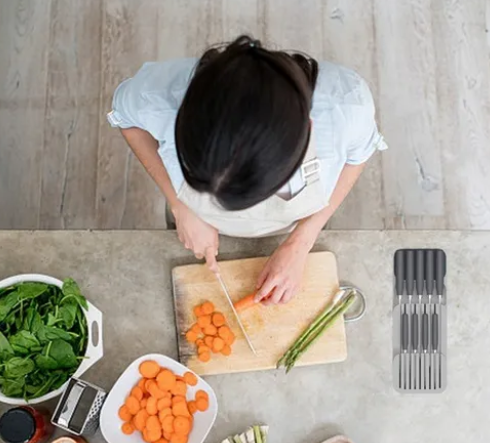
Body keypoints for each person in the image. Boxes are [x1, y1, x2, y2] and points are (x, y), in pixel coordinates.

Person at [107, 35, 387, 305]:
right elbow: (127, 119)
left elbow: (357, 157)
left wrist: (302, 241)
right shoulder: (159, 95)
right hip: (193, 224)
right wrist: (181, 206)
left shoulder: (346, 107)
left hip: (299, 225)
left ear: (308, 129)